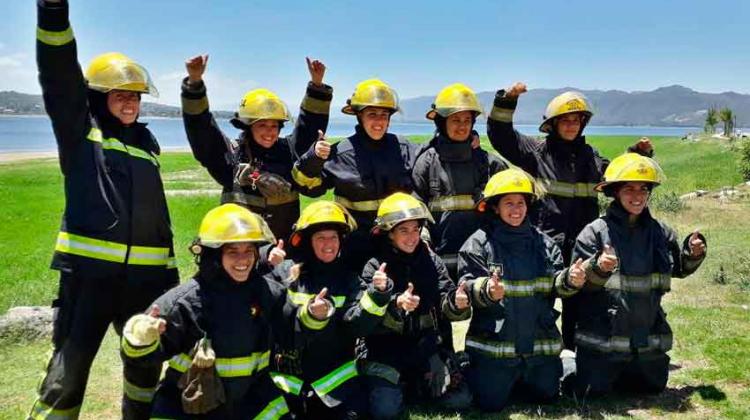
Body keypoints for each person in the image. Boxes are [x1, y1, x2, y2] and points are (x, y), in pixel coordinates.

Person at [31, 1, 179, 418]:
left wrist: (169, 277)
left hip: (144, 284)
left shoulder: (147, 145)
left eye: (134, 96)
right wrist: (53, 14)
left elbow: (159, 216)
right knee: (67, 374)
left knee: (146, 366)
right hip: (88, 282)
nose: (130, 104)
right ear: (99, 97)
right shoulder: (81, 133)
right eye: (120, 95)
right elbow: (59, 77)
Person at [486, 83, 653, 350]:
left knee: (580, 305)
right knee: (541, 303)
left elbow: (617, 179)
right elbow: (501, 135)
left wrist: (636, 156)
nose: (571, 125)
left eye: (576, 120)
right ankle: (539, 357)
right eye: (565, 120)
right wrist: (507, 102)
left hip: (583, 248)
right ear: (552, 124)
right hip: (544, 247)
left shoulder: (591, 158)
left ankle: (575, 359)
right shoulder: (535, 152)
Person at [120, 204, 291, 419]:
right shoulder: (185, 302)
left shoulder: (267, 294)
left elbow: (295, 328)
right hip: (191, 407)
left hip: (251, 404)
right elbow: (137, 358)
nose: (243, 260)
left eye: (249, 250)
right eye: (233, 252)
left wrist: (315, 314)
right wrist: (141, 336)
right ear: (213, 255)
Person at [567, 153, 706, 397]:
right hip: (603, 341)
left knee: (651, 389)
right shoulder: (594, 233)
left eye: (643, 189)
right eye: (629, 189)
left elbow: (679, 269)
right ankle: (568, 364)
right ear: (615, 192)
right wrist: (598, 269)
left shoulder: (660, 232)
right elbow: (579, 286)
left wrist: (693, 254)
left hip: (645, 339)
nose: (638, 196)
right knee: (592, 391)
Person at [457, 168, 582, 412]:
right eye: (509, 203)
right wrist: (486, 291)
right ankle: (467, 364)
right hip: (495, 351)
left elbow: (557, 285)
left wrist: (571, 279)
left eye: (521, 203)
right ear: (494, 207)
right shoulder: (477, 244)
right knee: (489, 403)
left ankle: (563, 360)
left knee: (548, 396)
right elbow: (466, 286)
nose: (516, 210)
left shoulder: (545, 244)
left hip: (537, 348)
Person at [182, 54, 332, 240]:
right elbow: (202, 131)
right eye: (262, 125)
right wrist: (194, 85)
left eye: (274, 125)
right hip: (241, 254)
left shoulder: (289, 152)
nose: (269, 132)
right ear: (248, 126)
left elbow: (309, 126)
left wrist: (316, 86)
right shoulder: (232, 155)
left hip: (282, 254)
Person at [266, 201, 392, 419]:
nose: (328, 244)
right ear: (307, 242)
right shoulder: (284, 274)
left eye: (333, 237)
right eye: (320, 238)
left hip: (334, 382)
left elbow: (357, 327)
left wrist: (378, 295)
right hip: (287, 383)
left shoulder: (349, 279)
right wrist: (263, 258)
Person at [359, 193, 472, 419]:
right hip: (385, 352)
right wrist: (395, 304)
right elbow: (363, 319)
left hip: (425, 348)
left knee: (460, 400)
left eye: (416, 229)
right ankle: (399, 386)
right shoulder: (374, 268)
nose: (412, 237)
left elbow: (445, 297)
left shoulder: (432, 261)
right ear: (389, 233)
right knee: (385, 411)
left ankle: (418, 383)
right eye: (403, 230)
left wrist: (456, 302)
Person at [291, 79, 424, 269]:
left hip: (398, 248)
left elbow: (434, 157)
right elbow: (307, 186)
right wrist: (314, 158)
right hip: (355, 252)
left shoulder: (405, 148)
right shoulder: (341, 154)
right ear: (359, 116)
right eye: (372, 114)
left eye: (384, 115)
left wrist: (472, 140)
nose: (379, 121)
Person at [412, 83, 508, 280]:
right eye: (455, 119)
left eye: (467, 120)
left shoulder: (489, 164)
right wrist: (423, 240)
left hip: (481, 261)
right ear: (441, 122)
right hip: (438, 261)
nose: (462, 125)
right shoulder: (426, 162)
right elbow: (416, 207)